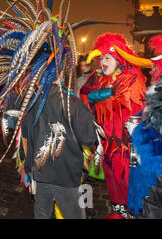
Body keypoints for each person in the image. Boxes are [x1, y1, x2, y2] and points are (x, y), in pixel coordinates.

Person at [80, 33, 147, 218]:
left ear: (118, 59)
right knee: (112, 183)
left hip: (126, 144)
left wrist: (107, 93)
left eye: (108, 57)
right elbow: (85, 94)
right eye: (101, 58)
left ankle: (133, 214)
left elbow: (129, 100)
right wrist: (107, 92)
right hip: (106, 142)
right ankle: (119, 213)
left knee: (127, 182)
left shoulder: (131, 77)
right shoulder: (96, 77)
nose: (103, 61)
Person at [20, 70, 99, 219]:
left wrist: (29, 168)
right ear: (61, 75)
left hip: (39, 173)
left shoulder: (32, 104)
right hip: (65, 175)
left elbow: (25, 139)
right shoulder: (72, 104)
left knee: (42, 214)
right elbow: (89, 138)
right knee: (74, 215)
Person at [127, 34, 162, 218]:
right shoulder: (156, 94)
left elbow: (156, 148)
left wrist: (137, 131)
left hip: (155, 182)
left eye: (155, 68)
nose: (151, 72)